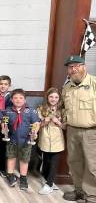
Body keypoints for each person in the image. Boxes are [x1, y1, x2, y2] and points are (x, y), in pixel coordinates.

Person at [62, 55, 96, 203]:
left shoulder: (94, 83)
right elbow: (64, 107)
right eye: (71, 67)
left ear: (84, 67)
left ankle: (91, 195)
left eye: (77, 66)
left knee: (92, 165)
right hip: (72, 130)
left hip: (91, 131)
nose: (74, 69)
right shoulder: (67, 87)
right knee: (74, 162)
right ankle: (79, 191)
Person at [3, 88, 40, 191]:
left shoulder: (31, 110)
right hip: (11, 139)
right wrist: (3, 128)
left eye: (21, 98)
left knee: (24, 159)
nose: (18, 100)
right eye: (15, 98)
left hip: (26, 140)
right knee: (11, 157)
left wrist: (35, 132)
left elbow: (36, 123)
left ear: (25, 99)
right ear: (11, 99)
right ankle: (10, 175)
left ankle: (23, 178)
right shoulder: (8, 111)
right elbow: (4, 123)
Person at [37, 87, 65, 195]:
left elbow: (65, 127)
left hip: (57, 139)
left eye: (56, 97)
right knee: (47, 161)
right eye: (51, 96)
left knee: (54, 162)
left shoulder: (62, 110)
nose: (53, 99)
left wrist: (58, 122)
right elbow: (37, 126)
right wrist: (45, 121)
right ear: (47, 97)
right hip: (45, 138)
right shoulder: (41, 108)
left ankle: (48, 185)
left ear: (59, 98)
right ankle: (49, 181)